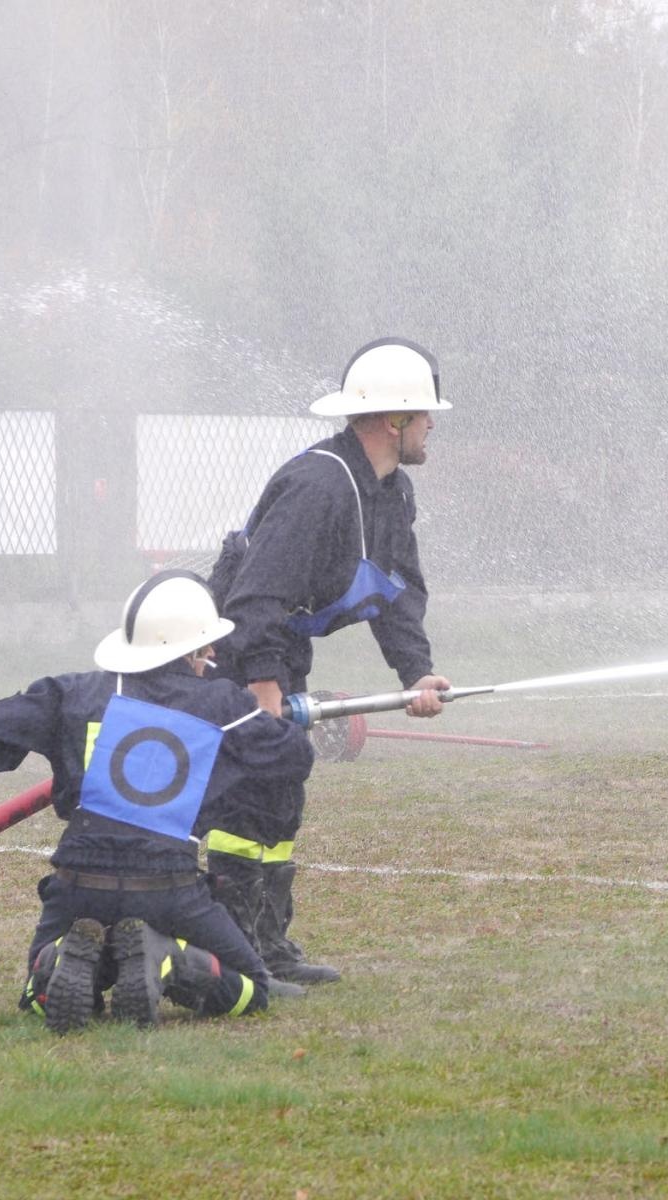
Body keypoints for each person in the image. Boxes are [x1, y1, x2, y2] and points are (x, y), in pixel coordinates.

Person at [0, 570, 315, 1033]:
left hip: (78, 886)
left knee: (36, 1000)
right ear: (190, 650)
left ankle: (65, 960)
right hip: (168, 889)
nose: (212, 653)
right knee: (252, 988)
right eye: (206, 644)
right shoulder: (224, 708)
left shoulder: (70, 694)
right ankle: (165, 958)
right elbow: (293, 757)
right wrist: (250, 732)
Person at [206, 336, 452, 986]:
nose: (432, 427)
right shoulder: (319, 486)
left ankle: (270, 943)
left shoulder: (391, 494)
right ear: (393, 420)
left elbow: (398, 590)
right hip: (230, 656)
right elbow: (252, 597)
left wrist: (416, 674)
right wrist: (263, 696)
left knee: (283, 793)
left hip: (282, 653)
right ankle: (235, 956)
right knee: (243, 806)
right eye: (425, 415)